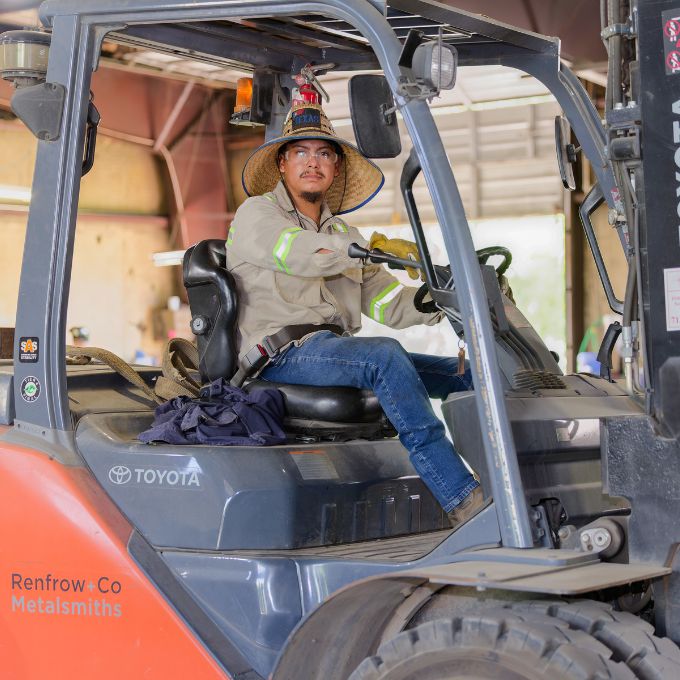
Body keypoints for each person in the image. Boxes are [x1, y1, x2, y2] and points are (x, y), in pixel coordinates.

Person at [226, 96, 483, 524]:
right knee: (383, 356)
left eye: (325, 154)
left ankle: (513, 478)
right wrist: (365, 252)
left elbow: (388, 303)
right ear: (283, 165)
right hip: (279, 355)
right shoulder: (258, 215)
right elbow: (302, 253)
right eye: (302, 153)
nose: (314, 163)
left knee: (465, 374)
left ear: (336, 168)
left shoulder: (346, 233)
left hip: (331, 354)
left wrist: (441, 300)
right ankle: (460, 497)